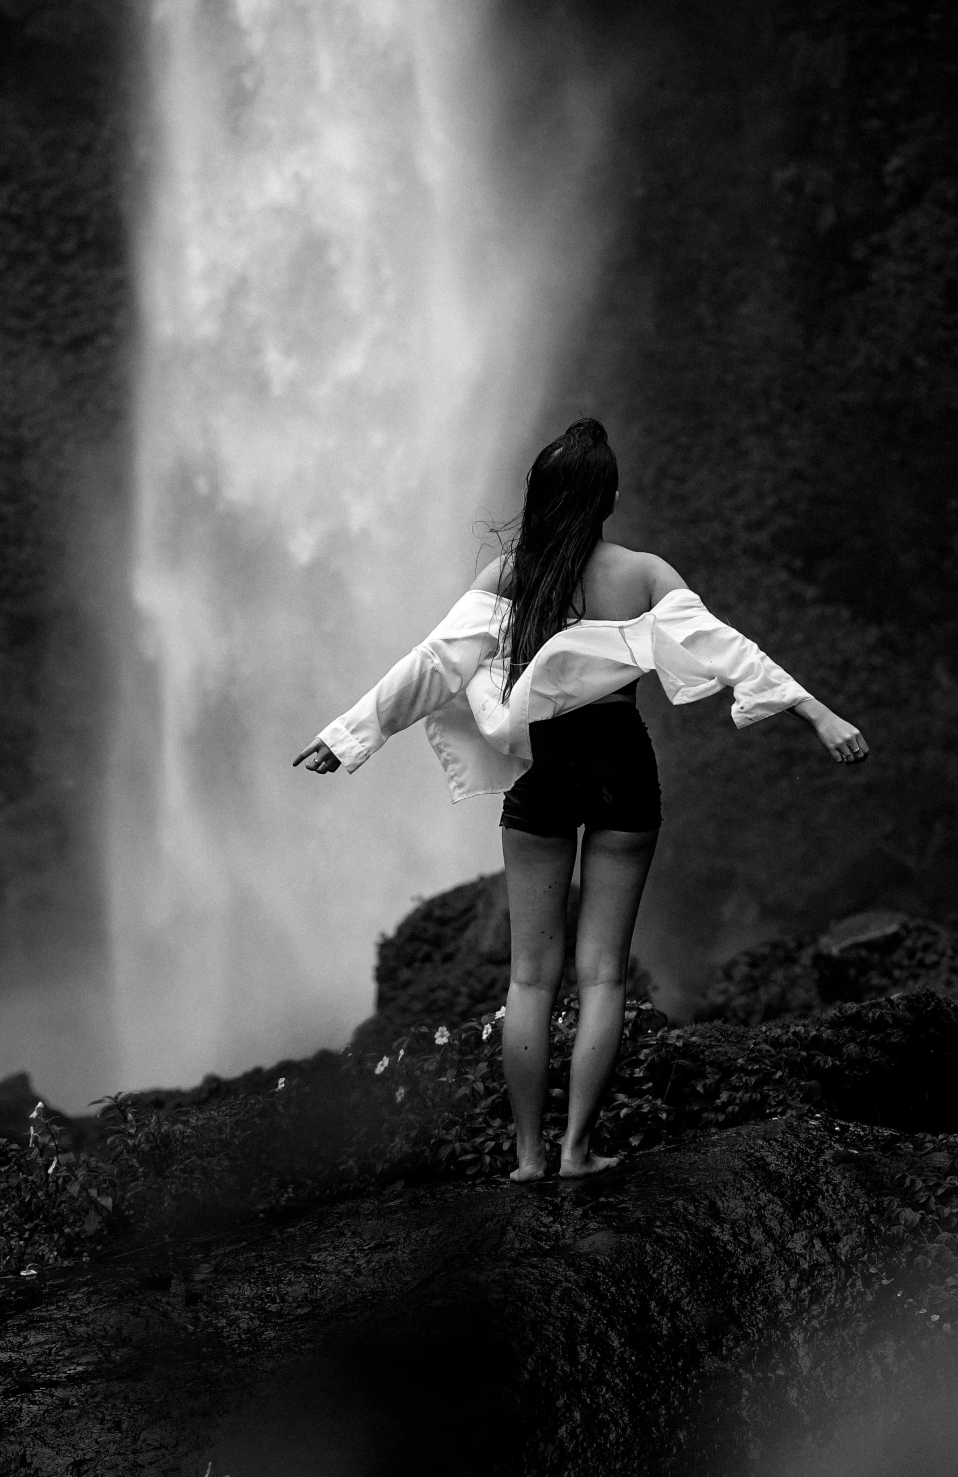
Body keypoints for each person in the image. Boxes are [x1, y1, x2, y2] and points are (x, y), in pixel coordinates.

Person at [294, 418, 869, 1181]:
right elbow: (727, 647)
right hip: (619, 767)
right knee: (602, 972)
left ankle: (528, 1158)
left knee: (530, 976)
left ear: (539, 496)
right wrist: (819, 715)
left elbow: (434, 662)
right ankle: (577, 1152)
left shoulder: (509, 575)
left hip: (542, 768)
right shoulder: (640, 573)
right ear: (610, 498)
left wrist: (349, 736)